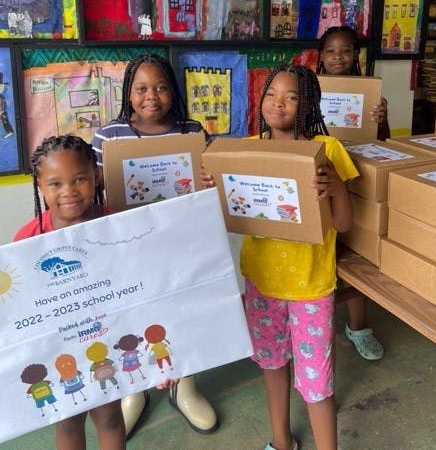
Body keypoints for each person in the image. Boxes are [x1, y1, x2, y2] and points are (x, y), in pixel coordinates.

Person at [203, 65, 359, 450]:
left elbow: (343, 223)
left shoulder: (328, 150)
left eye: (292, 96)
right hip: (262, 282)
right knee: (271, 365)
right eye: (272, 93)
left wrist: (335, 184)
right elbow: (227, 213)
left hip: (311, 287)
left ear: (309, 103)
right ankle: (280, 441)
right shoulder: (247, 148)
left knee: (317, 382)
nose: (279, 103)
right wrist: (216, 186)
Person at [92, 54, 218, 438]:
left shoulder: (191, 130)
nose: (152, 96)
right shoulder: (108, 136)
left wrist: (212, 181)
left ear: (173, 91)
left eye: (161, 87)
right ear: (129, 93)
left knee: (186, 312)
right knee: (133, 317)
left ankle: (186, 387)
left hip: (184, 243)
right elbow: (97, 190)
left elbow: (211, 180)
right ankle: (137, 391)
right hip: (130, 249)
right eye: (141, 88)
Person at [13, 135, 126, 450]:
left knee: (110, 419)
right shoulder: (27, 239)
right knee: (67, 422)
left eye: (79, 179)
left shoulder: (116, 226)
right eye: (56, 184)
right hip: (57, 349)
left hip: (105, 339)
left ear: (96, 176)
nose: (69, 192)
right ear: (40, 185)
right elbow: (21, 306)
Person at [317, 25, 389, 361]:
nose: (337, 57)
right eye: (330, 50)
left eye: (345, 50)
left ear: (356, 55)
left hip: (359, 177)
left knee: (358, 255)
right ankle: (317, 322)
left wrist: (381, 119)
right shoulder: (307, 89)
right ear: (320, 55)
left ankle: (359, 327)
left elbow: (382, 142)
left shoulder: (370, 93)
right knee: (327, 253)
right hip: (322, 180)